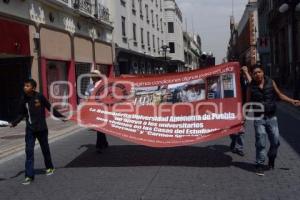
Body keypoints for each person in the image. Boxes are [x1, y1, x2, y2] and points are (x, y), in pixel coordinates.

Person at [242, 65, 300, 176]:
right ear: (252, 75)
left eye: (259, 72)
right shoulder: (250, 87)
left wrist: (292, 101)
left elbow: (280, 95)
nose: (257, 74)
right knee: (261, 142)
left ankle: (271, 157)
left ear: (263, 72)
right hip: (258, 118)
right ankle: (259, 164)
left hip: (271, 117)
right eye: (254, 73)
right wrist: (244, 117)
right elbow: (248, 103)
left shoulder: (271, 82)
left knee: (275, 142)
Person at [9, 79, 67, 185]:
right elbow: (21, 114)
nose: (25, 87)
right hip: (30, 129)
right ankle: (29, 176)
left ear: (33, 88)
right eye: (24, 86)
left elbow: (49, 107)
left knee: (45, 149)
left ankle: (49, 167)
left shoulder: (39, 96)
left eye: (27, 86)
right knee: (29, 151)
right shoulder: (23, 99)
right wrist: (14, 123)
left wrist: (61, 116)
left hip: (41, 128)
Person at [85, 70, 109, 153]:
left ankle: (99, 146)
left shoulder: (103, 85)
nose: (92, 77)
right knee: (99, 127)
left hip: (102, 108)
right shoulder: (89, 86)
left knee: (99, 127)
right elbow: (87, 97)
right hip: (93, 108)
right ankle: (104, 143)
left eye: (94, 75)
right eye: (91, 75)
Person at [229, 70, 250, 157]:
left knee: (241, 130)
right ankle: (234, 141)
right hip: (231, 109)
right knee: (232, 129)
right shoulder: (230, 84)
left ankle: (239, 148)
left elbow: (252, 83)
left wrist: (246, 72)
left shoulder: (246, 85)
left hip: (242, 108)